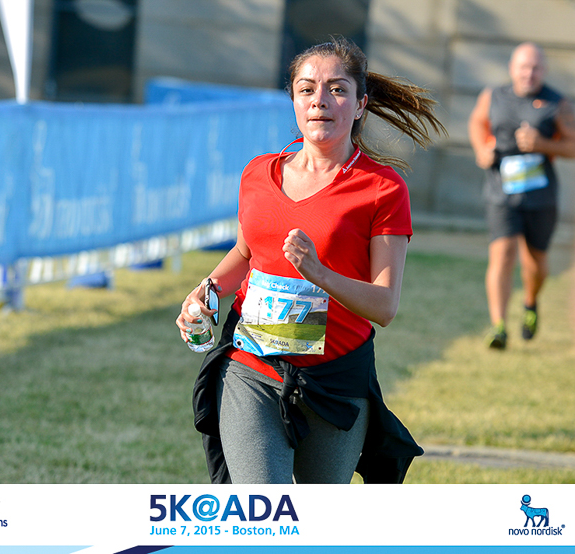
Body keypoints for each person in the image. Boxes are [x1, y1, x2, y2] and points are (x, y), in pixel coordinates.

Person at [176, 37, 446, 484]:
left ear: (360, 105)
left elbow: (384, 306)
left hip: (335, 381)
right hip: (252, 366)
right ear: (294, 100)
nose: (320, 100)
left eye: (337, 89)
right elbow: (245, 253)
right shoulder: (258, 173)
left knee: (316, 518)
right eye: (307, 89)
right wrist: (206, 291)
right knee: (263, 510)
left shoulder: (383, 189)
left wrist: (319, 273)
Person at [468, 42, 575, 349]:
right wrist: (481, 149)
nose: (529, 73)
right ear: (512, 69)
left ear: (544, 70)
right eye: (524, 67)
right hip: (500, 189)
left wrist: (543, 144)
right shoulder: (493, 96)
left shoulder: (558, 103)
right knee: (502, 253)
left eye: (536, 68)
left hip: (541, 194)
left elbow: (572, 145)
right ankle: (498, 326)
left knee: (536, 262)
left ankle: (531, 301)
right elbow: (476, 122)